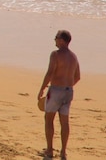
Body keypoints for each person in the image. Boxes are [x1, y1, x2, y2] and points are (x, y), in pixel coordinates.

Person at [38, 30, 81, 160]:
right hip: (68, 91)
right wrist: (66, 86)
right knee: (64, 122)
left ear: (62, 40)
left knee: (49, 119)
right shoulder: (74, 57)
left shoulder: (55, 54)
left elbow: (50, 72)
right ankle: (63, 152)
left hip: (56, 90)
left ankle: (50, 150)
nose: (54, 40)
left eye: (56, 38)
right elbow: (78, 77)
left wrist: (42, 89)